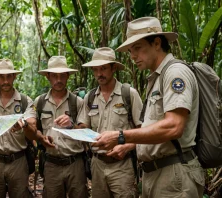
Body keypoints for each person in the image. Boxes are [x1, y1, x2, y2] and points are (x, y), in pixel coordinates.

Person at [93, 17, 205, 197]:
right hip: (155, 173)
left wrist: (121, 136)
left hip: (173, 175)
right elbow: (152, 128)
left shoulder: (175, 73)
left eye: (137, 48)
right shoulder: (156, 78)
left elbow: (174, 126)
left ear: (157, 43)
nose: (133, 56)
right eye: (130, 51)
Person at [0, 58, 50, 198]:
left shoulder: (25, 101)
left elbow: (33, 133)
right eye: (1, 77)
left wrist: (24, 125)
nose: (6, 81)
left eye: (9, 76)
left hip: (18, 161)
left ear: (14, 76)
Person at [77, 47, 142, 198]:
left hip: (123, 165)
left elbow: (144, 131)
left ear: (113, 68)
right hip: (97, 164)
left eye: (104, 68)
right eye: (95, 69)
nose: (99, 73)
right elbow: (82, 125)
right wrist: (71, 126)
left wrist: (126, 147)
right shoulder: (90, 97)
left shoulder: (128, 94)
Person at [35, 56, 88, 198]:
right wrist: (41, 139)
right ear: (48, 76)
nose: (58, 80)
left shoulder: (78, 102)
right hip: (51, 164)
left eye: (62, 76)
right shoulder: (40, 102)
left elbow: (85, 133)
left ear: (67, 76)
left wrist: (71, 125)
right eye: (54, 76)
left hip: (75, 163)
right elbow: (36, 129)